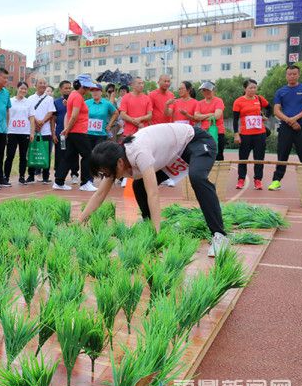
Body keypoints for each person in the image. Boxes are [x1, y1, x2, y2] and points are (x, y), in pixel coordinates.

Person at [79, 123, 229, 257]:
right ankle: (148, 223)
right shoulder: (116, 158)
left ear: (119, 163)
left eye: (106, 173)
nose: (107, 177)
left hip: (195, 141)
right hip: (173, 153)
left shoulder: (139, 153)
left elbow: (153, 193)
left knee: (197, 177)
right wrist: (79, 223)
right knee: (138, 185)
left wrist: (157, 236)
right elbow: (100, 194)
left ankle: (220, 235)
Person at [268, 64, 302, 191]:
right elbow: (276, 110)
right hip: (285, 127)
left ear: (298, 75)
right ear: (286, 75)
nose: (292, 76)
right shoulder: (280, 91)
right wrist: (289, 121)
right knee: (282, 155)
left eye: (294, 74)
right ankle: (276, 181)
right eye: (289, 74)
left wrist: (295, 119)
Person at [53, 77, 93, 192]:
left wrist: (67, 129)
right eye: (86, 87)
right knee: (87, 155)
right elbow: (74, 116)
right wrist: (67, 129)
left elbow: (69, 113)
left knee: (69, 156)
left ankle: (59, 182)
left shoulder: (73, 95)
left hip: (73, 131)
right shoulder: (77, 97)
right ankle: (85, 182)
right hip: (78, 131)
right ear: (81, 86)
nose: (87, 89)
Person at [232, 79, 271, 191]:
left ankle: (258, 180)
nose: (253, 90)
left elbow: (269, 107)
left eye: (255, 87)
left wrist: (266, 116)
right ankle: (241, 179)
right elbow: (235, 120)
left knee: (259, 158)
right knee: (243, 158)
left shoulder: (259, 99)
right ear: (245, 89)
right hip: (245, 134)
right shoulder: (238, 101)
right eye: (250, 88)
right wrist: (236, 134)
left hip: (260, 133)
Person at [4, 81, 35, 185]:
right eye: (21, 88)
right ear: (17, 88)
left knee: (23, 156)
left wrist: (32, 133)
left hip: (24, 133)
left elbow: (31, 118)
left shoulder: (28, 102)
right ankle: (6, 177)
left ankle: (22, 177)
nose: (23, 90)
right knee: (10, 155)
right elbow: (7, 116)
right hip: (12, 132)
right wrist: (6, 130)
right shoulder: (10, 101)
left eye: (25, 89)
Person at [86, 83, 117, 186]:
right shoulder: (87, 103)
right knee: (89, 156)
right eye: (92, 90)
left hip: (101, 134)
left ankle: (105, 178)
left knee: (101, 157)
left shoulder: (106, 103)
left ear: (101, 92)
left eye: (97, 90)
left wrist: (110, 125)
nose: (95, 92)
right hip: (88, 133)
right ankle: (89, 180)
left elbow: (116, 113)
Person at [27, 77, 56, 183]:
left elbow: (51, 112)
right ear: (35, 85)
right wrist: (36, 121)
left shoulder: (49, 99)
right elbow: (29, 113)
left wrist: (42, 121)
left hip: (46, 131)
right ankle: (30, 175)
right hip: (33, 131)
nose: (43, 85)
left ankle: (45, 176)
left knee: (46, 153)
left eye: (44, 83)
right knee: (32, 152)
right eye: (40, 83)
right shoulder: (30, 98)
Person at [54, 80, 78, 183]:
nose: (68, 90)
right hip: (62, 134)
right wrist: (53, 133)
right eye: (66, 88)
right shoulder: (56, 102)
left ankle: (74, 174)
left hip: (73, 133)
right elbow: (53, 119)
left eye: (69, 88)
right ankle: (58, 175)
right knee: (61, 153)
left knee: (74, 153)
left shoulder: (75, 100)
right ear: (60, 89)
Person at [194, 81, 225, 160]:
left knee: (218, 155)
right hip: (204, 132)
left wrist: (202, 116)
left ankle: (219, 172)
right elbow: (196, 117)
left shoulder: (218, 101)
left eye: (208, 90)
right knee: (205, 155)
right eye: (203, 90)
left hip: (217, 132)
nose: (206, 92)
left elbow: (217, 116)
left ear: (213, 90)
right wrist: (210, 114)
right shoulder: (199, 103)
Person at [0, 68, 12, 187]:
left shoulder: (6, 93)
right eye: (4, 78)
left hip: (2, 129)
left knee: (0, 155)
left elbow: (7, 110)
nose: (6, 80)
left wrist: (6, 126)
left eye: (7, 78)